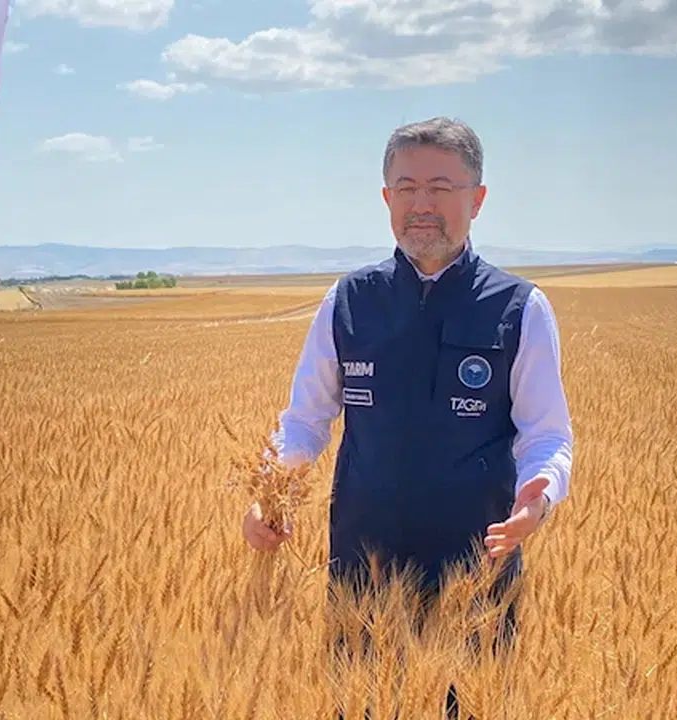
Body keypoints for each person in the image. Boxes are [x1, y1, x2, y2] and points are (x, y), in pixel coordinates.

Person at [242, 116, 574, 717]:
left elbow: (546, 433)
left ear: (477, 199)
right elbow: (306, 420)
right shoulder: (348, 301)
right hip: (362, 576)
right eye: (407, 188)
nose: (422, 204)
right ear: (386, 198)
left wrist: (540, 494)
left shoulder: (520, 307)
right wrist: (272, 490)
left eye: (441, 187)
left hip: (476, 578)